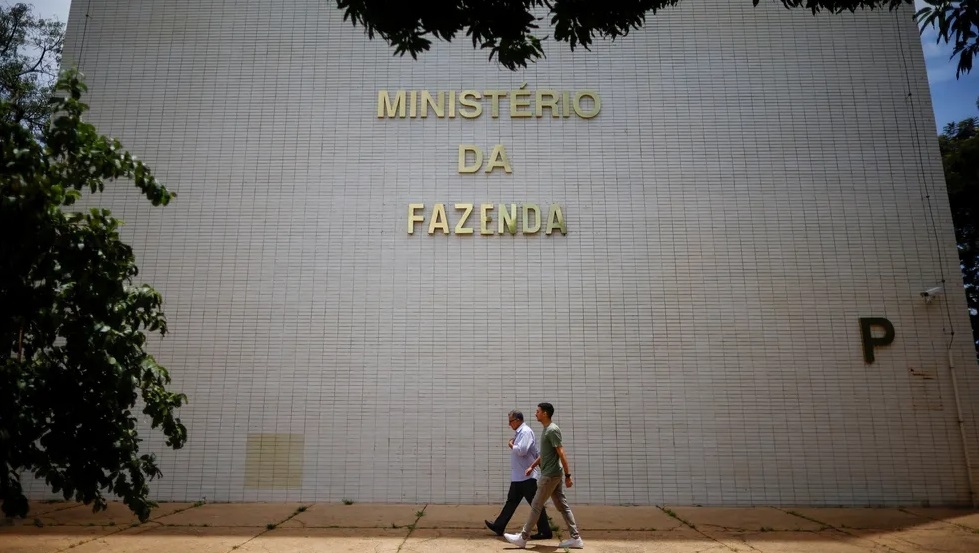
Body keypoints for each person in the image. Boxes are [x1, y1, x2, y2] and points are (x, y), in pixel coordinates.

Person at [504, 402, 584, 549]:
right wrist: (532, 466)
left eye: (538, 411)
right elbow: (545, 454)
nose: (536, 414)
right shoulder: (547, 430)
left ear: (545, 413)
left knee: (536, 505)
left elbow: (561, 452)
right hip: (552, 474)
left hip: (550, 475)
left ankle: (523, 537)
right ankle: (576, 538)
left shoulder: (552, 430)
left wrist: (568, 475)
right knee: (562, 506)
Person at [484, 410, 553, 540]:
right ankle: (499, 525)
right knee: (511, 501)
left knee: (536, 504)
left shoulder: (525, 432)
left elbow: (522, 450)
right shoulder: (520, 433)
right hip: (519, 476)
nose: (509, 424)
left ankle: (545, 531)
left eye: (511, 421)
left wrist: (511, 444)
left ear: (518, 420)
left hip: (527, 477)